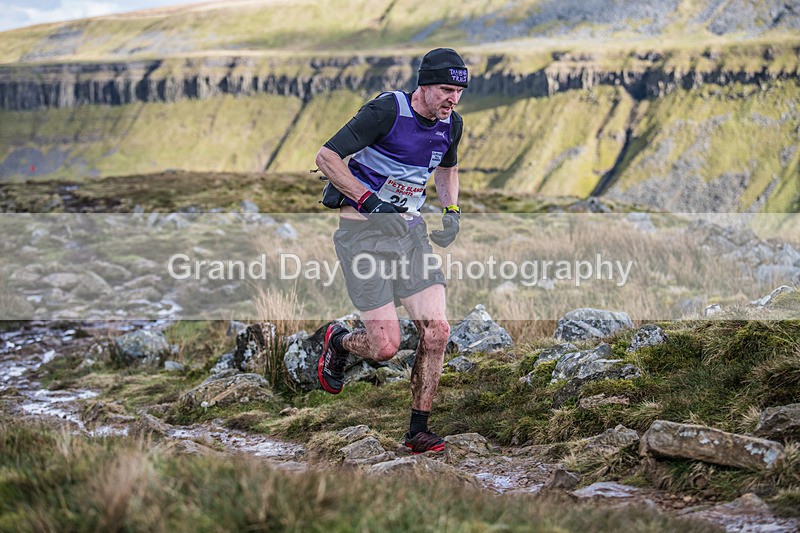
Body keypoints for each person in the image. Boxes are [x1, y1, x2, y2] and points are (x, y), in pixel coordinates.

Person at [314, 48, 467, 454]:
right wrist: (369, 201)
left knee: (437, 330)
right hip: (362, 235)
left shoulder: (451, 123)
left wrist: (451, 209)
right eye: (446, 90)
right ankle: (339, 340)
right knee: (385, 347)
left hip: (410, 235)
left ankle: (418, 430)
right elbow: (326, 157)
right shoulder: (386, 111)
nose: (453, 99)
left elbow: (447, 167)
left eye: (459, 92)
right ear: (424, 85)